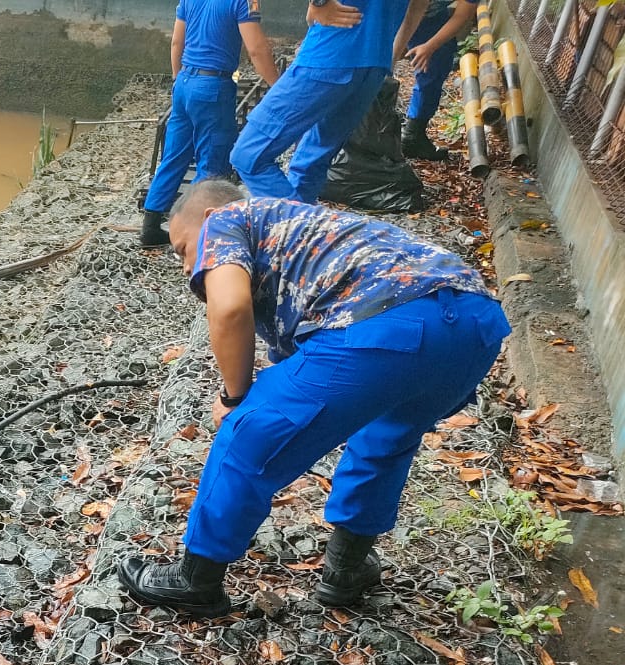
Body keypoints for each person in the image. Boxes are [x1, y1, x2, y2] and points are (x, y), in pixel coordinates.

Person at [118, 179, 509, 616]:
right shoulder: (302, 232)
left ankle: (196, 580)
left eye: (182, 249)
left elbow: (229, 309)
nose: (188, 265)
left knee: (250, 430)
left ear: (206, 220)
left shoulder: (225, 219)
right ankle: (346, 570)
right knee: (388, 436)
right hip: (475, 324)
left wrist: (234, 397)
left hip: (387, 322)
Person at [229, 0, 430, 202]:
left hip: (330, 53)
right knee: (313, 160)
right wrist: (391, 56)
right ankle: (303, 227)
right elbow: (420, 4)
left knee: (248, 154)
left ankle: (303, 225)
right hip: (374, 65)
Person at [139, 0, 282, 247]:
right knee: (212, 166)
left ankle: (150, 227)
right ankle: (192, 236)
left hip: (184, 82)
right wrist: (280, 89)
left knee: (174, 156)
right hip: (213, 87)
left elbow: (176, 43)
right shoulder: (243, 1)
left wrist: (178, 81)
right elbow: (257, 50)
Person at [399, 0, 476, 159]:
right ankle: (364, 130)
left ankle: (413, 135)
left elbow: (463, 14)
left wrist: (430, 46)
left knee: (437, 64)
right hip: (389, 10)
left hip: (431, 15)